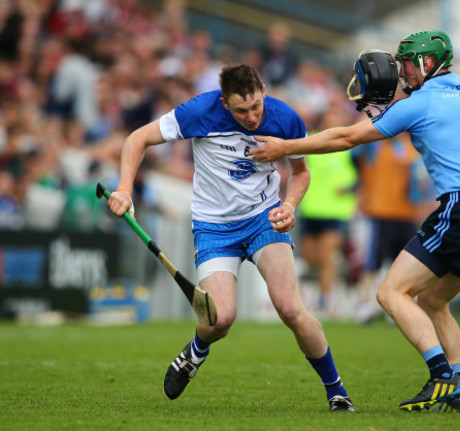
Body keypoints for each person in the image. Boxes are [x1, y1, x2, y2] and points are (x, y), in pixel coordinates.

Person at [251, 31, 460, 413]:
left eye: (407, 63)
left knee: (391, 293)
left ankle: (441, 377)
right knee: (433, 301)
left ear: (427, 63)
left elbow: (346, 137)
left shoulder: (420, 102)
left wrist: (286, 147)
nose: (403, 71)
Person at [106, 64, 354, 413]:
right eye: (241, 110)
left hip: (263, 220)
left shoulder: (284, 118)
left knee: (290, 308)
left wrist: (289, 205)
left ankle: (337, 392)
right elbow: (137, 139)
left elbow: (300, 173)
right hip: (213, 227)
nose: (252, 117)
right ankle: (195, 352)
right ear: (224, 103)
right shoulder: (198, 112)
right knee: (219, 319)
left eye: (256, 107)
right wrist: (124, 190)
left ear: (263, 91)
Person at [352, 132, 436, 324]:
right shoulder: (374, 146)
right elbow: (355, 152)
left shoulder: (411, 146)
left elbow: (422, 179)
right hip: (380, 212)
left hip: (406, 213)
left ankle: (399, 304)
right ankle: (365, 305)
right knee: (373, 262)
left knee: (405, 263)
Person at [298, 108, 358, 313]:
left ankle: (324, 300)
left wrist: (350, 187)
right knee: (309, 259)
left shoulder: (350, 147)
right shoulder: (311, 142)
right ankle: (318, 291)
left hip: (335, 211)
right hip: (310, 209)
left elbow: (362, 176)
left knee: (326, 257)